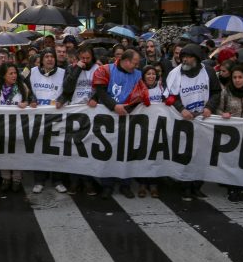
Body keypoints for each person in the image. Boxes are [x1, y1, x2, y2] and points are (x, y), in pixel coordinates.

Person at [93, 49, 150, 199]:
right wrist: (114, 106)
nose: (136, 66)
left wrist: (127, 108)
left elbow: (141, 95)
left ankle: (126, 184)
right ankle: (107, 185)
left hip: (128, 118)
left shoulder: (137, 75)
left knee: (127, 153)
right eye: (134, 63)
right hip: (108, 119)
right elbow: (101, 92)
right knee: (108, 152)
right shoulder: (105, 70)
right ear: (125, 61)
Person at [166, 44, 220, 201]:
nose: (184, 60)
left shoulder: (208, 72)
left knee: (202, 156)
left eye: (188, 57)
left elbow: (216, 92)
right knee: (186, 154)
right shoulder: (175, 74)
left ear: (196, 59)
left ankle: (197, 186)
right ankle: (185, 187)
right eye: (183, 57)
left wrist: (210, 107)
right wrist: (181, 108)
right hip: (184, 120)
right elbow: (169, 96)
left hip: (203, 120)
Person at [59, 46, 100, 195]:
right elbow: (67, 88)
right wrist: (77, 69)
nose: (85, 61)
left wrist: (95, 98)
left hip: (91, 113)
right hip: (75, 112)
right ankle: (74, 182)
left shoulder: (98, 69)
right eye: (82, 58)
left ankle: (88, 181)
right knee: (74, 149)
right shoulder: (71, 68)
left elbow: (103, 88)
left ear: (92, 58)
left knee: (88, 149)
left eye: (87, 58)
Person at [214, 66, 243, 202]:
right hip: (231, 133)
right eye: (234, 77)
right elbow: (218, 109)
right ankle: (232, 187)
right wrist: (223, 114)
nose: (237, 80)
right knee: (232, 161)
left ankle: (242, 186)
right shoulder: (226, 92)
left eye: (240, 77)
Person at [0, 63, 35, 192]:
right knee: (3, 152)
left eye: (15, 73)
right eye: (10, 73)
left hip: (17, 126)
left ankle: (16, 178)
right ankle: (5, 178)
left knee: (16, 152)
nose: (14, 75)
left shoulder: (23, 87)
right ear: (3, 75)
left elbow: (31, 100)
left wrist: (26, 103)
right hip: (0, 126)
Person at [28, 48, 66, 193]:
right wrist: (31, 98)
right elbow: (25, 88)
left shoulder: (63, 73)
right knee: (39, 149)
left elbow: (68, 90)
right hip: (38, 118)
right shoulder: (32, 72)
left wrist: (62, 100)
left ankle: (57, 180)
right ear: (42, 59)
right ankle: (39, 180)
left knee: (56, 149)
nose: (50, 59)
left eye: (52, 56)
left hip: (56, 117)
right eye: (47, 56)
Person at [141, 65, 165, 198]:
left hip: (158, 127)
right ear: (144, 76)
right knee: (143, 155)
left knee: (156, 156)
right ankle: (143, 183)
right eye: (148, 74)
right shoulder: (139, 87)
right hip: (143, 128)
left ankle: (154, 184)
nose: (151, 76)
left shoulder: (161, 88)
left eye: (153, 74)